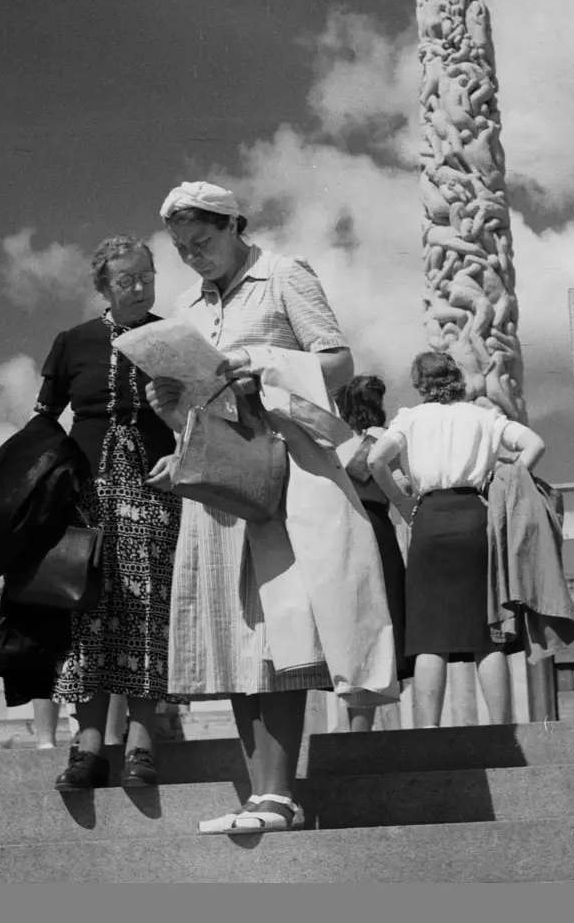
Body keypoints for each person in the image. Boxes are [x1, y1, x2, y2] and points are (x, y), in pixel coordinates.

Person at [145, 180, 396, 834]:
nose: (193, 256)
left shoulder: (284, 275)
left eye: (201, 241)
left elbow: (338, 363)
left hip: (281, 475)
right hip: (219, 480)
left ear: (234, 226)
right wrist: (175, 421)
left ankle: (281, 793)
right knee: (234, 634)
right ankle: (261, 795)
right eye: (181, 248)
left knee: (279, 628)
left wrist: (264, 365)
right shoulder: (185, 305)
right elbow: (203, 400)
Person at [33, 234, 184, 791]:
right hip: (85, 494)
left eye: (147, 275)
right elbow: (43, 421)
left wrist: (180, 444)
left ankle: (143, 741)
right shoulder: (72, 342)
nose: (140, 286)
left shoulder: (173, 338)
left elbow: (200, 419)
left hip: (154, 491)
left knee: (148, 612)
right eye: (126, 280)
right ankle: (90, 744)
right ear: (103, 286)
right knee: (86, 610)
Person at [367, 351, 545, 728]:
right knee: (486, 630)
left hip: (429, 520)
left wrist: (401, 500)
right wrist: (507, 484)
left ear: (419, 383)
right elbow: (535, 445)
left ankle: (428, 732)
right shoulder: (483, 416)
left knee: (430, 633)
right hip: (477, 518)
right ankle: (501, 728)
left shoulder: (410, 419)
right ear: (457, 379)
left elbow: (374, 461)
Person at [334, 375, 410, 732]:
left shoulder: (332, 442)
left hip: (337, 533)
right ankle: (363, 730)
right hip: (375, 530)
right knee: (381, 620)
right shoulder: (381, 440)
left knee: (351, 624)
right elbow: (401, 485)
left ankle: (356, 727)